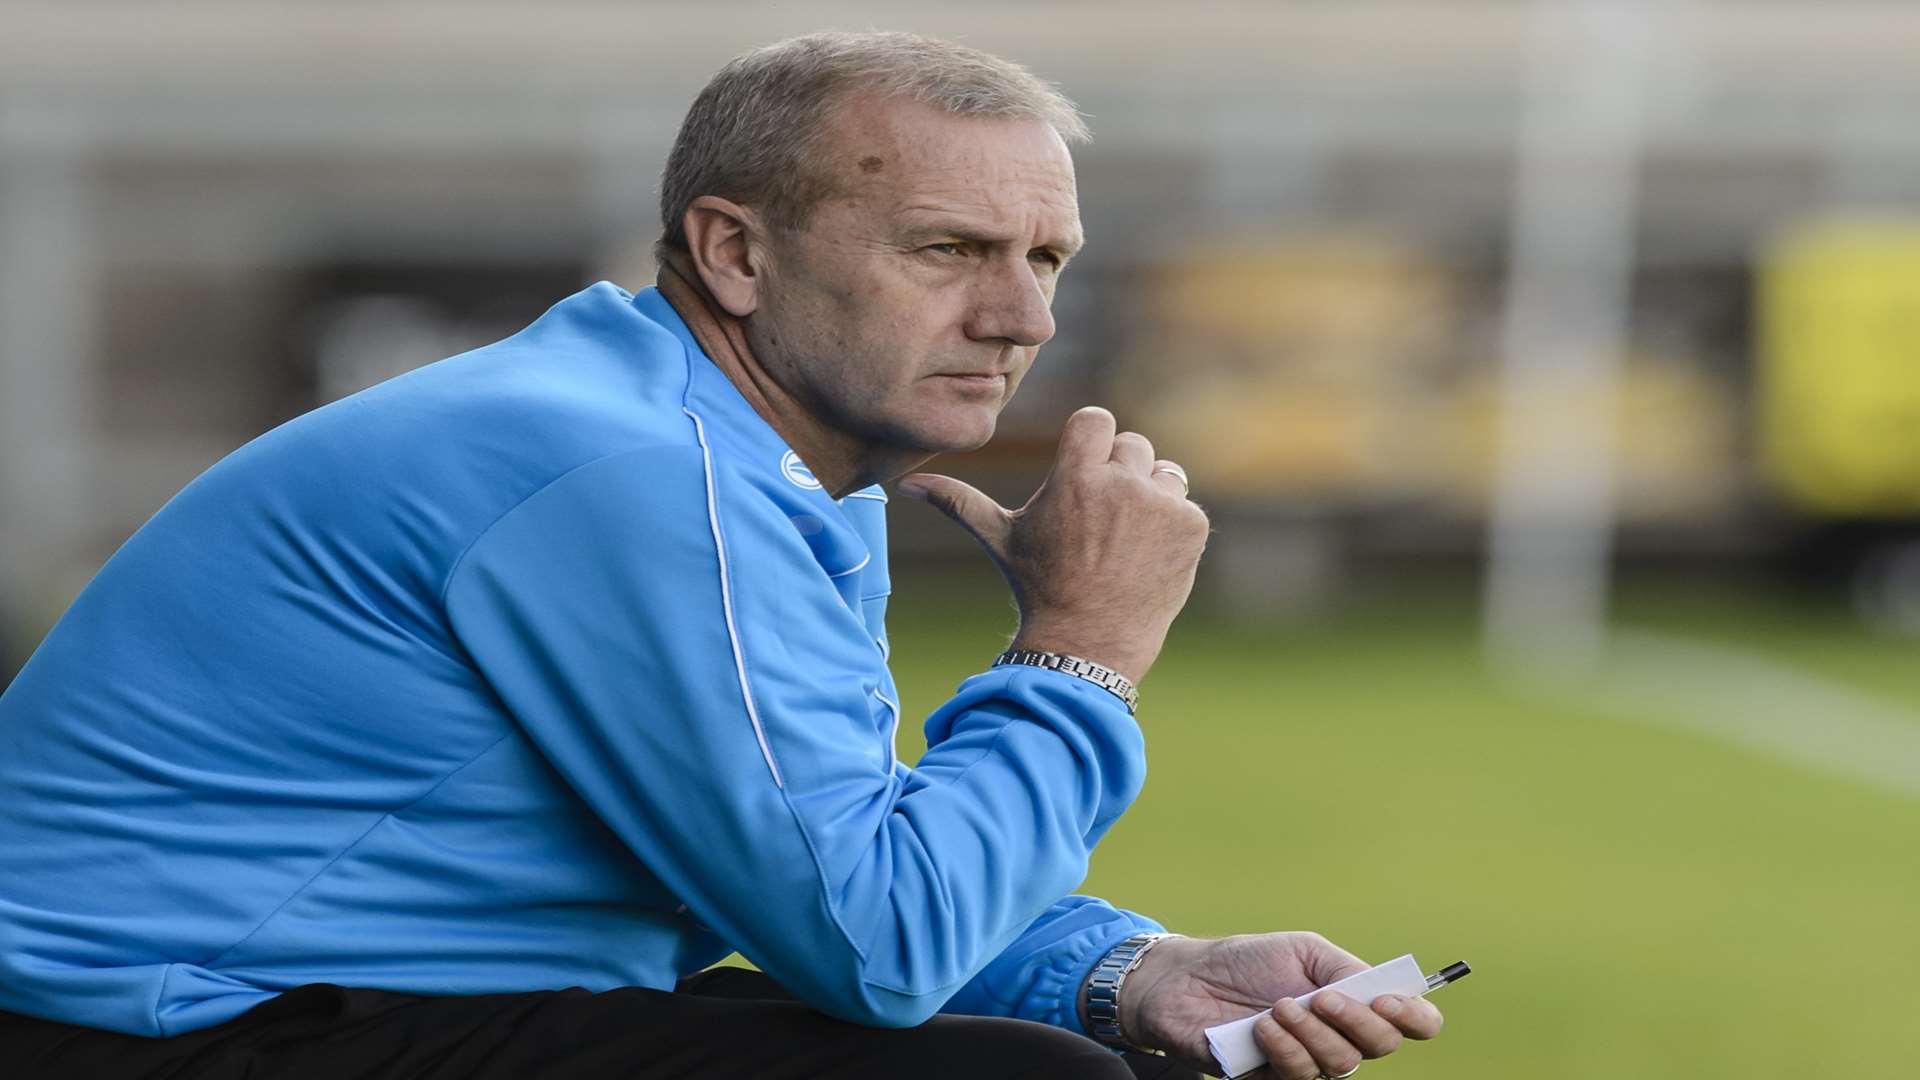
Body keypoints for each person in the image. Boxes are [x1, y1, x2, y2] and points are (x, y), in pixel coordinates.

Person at [0, 31, 1444, 1080]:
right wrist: (1084, 646)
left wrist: (1134, 974)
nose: (1023, 321)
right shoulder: (633, 472)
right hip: (161, 1023)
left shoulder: (739, 453)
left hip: (285, 1001)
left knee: (1065, 1051)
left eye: (1046, 259)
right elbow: (876, 947)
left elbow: (826, 849)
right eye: (950, 250)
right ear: (736, 255)